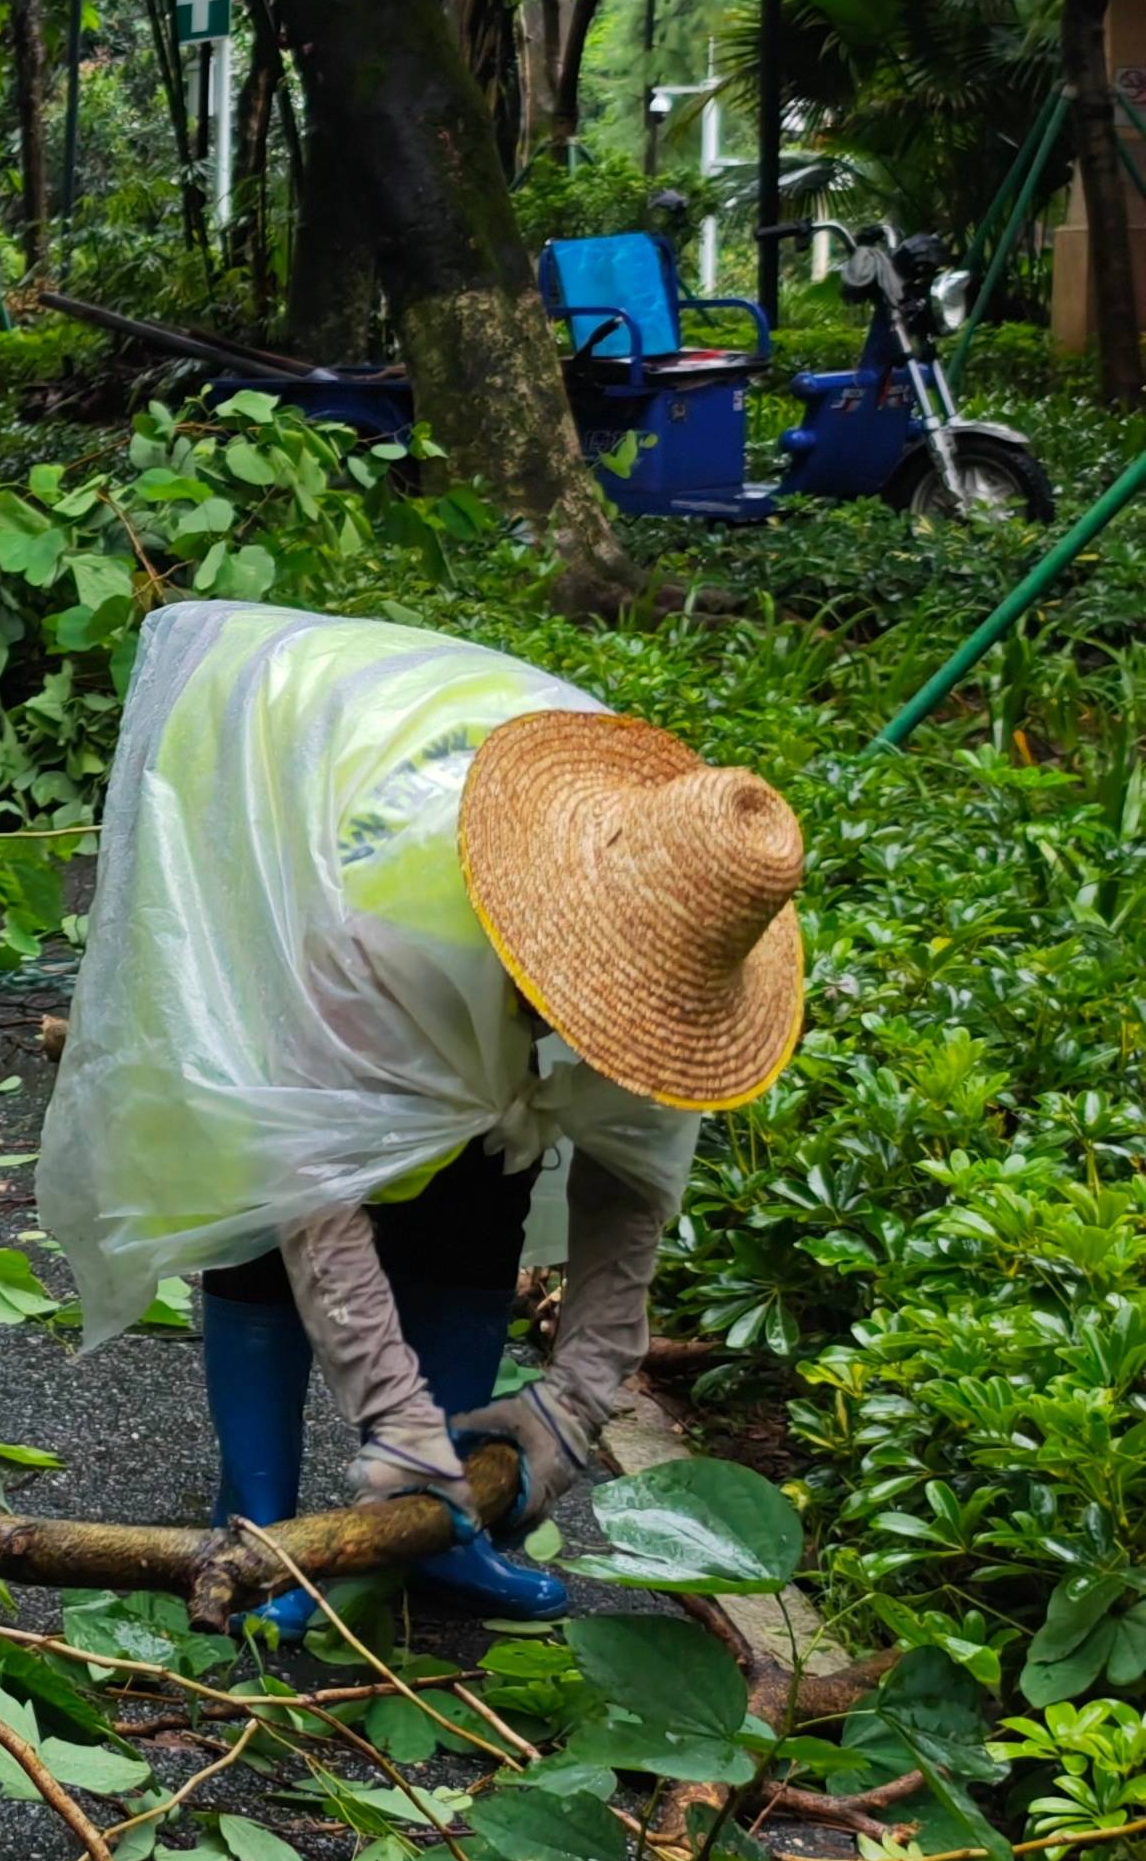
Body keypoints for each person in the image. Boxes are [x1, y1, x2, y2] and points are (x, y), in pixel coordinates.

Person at [39, 605, 806, 1639]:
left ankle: (433, 1535)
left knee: (484, 1183)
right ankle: (256, 1520)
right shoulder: (383, 927)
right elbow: (308, 1187)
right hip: (287, 751)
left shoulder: (685, 933)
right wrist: (398, 1424)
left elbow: (630, 1181)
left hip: (499, 776)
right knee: (258, 1217)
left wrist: (570, 1406)